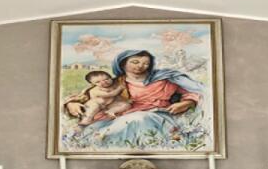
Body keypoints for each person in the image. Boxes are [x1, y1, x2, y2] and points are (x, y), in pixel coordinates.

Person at [64, 50, 205, 149]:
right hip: (120, 116)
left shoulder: (164, 79)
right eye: (135, 62)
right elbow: (86, 95)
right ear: (122, 64)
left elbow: (192, 92)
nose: (140, 66)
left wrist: (186, 103)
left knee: (138, 119)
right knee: (94, 133)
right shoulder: (114, 83)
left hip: (158, 115)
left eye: (145, 63)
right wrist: (72, 104)